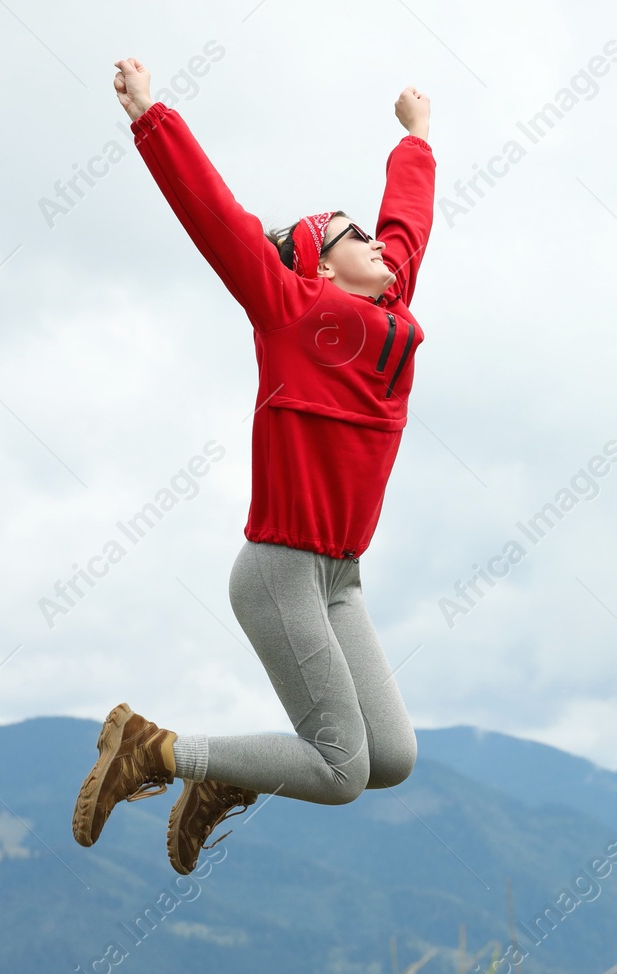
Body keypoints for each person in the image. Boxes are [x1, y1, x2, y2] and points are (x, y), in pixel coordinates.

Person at [72, 56, 435, 875]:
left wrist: (415, 140)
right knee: (342, 770)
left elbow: (409, 224)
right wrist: (150, 118)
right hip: (279, 568)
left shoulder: (393, 313)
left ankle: (221, 776)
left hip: (339, 575)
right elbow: (217, 219)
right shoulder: (288, 308)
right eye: (354, 238)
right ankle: (153, 750)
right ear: (317, 265)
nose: (377, 244)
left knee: (393, 756)